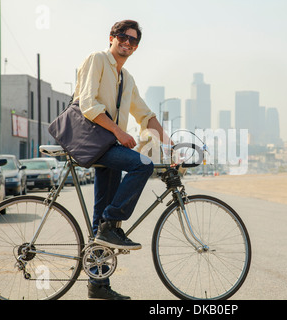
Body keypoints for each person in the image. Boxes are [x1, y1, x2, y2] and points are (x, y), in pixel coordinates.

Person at [72, 20, 171, 300]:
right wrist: (118, 131)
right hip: (92, 141)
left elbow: (146, 115)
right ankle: (111, 222)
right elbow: (88, 104)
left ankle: (98, 285)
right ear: (112, 37)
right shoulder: (97, 59)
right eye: (123, 37)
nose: (127, 43)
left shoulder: (126, 78)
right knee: (143, 164)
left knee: (101, 224)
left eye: (133, 41)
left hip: (108, 147)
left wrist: (170, 144)